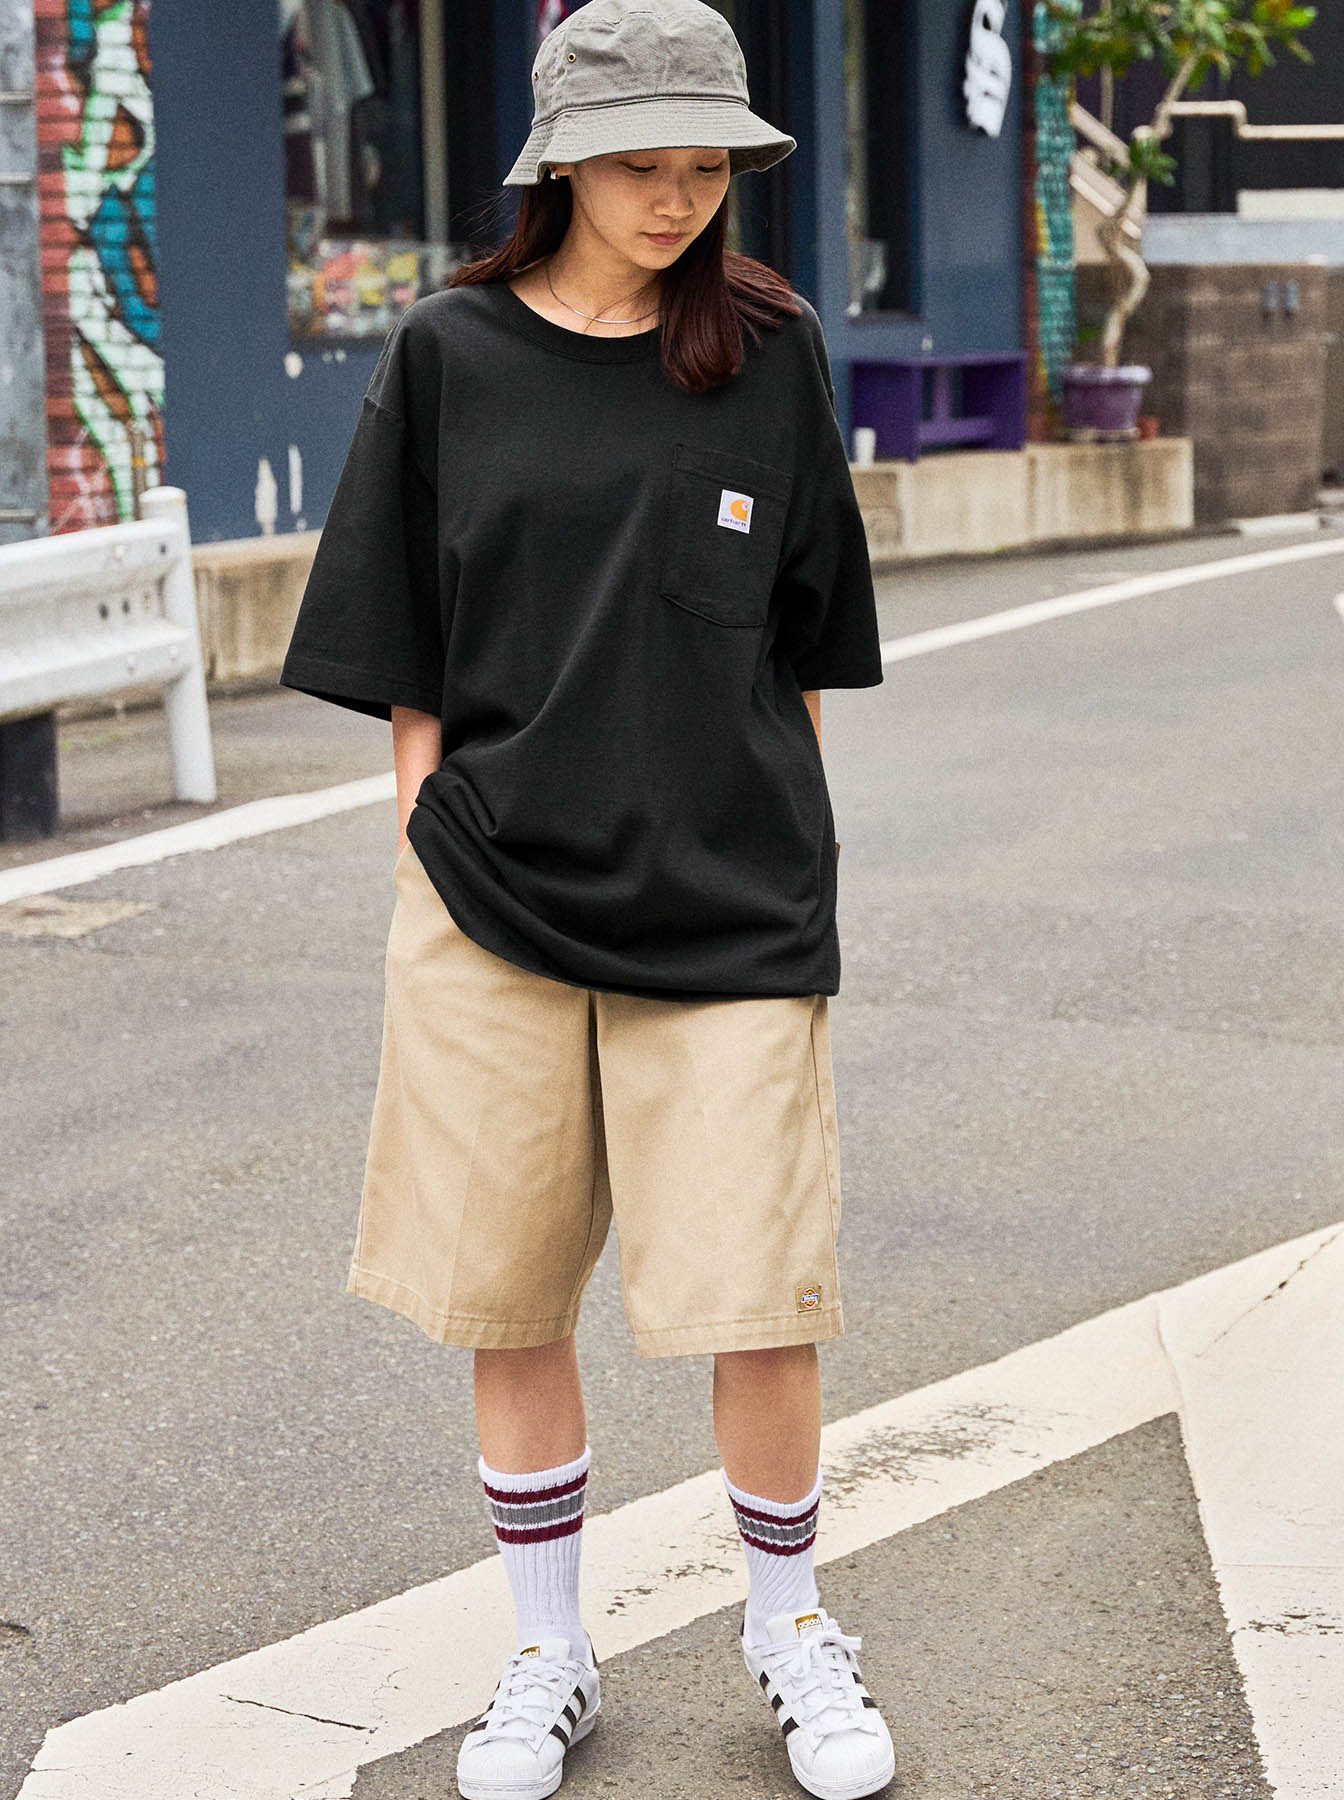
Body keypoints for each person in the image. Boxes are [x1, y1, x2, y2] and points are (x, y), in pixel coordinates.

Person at [278, 2, 892, 1796]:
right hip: (491, 891)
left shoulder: (767, 349)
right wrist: (422, 807)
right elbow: (398, 623)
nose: (678, 198)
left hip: (732, 904)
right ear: (558, 166)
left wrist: (797, 855)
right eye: (641, 166)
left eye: (707, 167)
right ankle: (547, 1649)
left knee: (758, 1293)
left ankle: (789, 1629)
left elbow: (806, 637)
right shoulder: (450, 352)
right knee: (507, 1290)